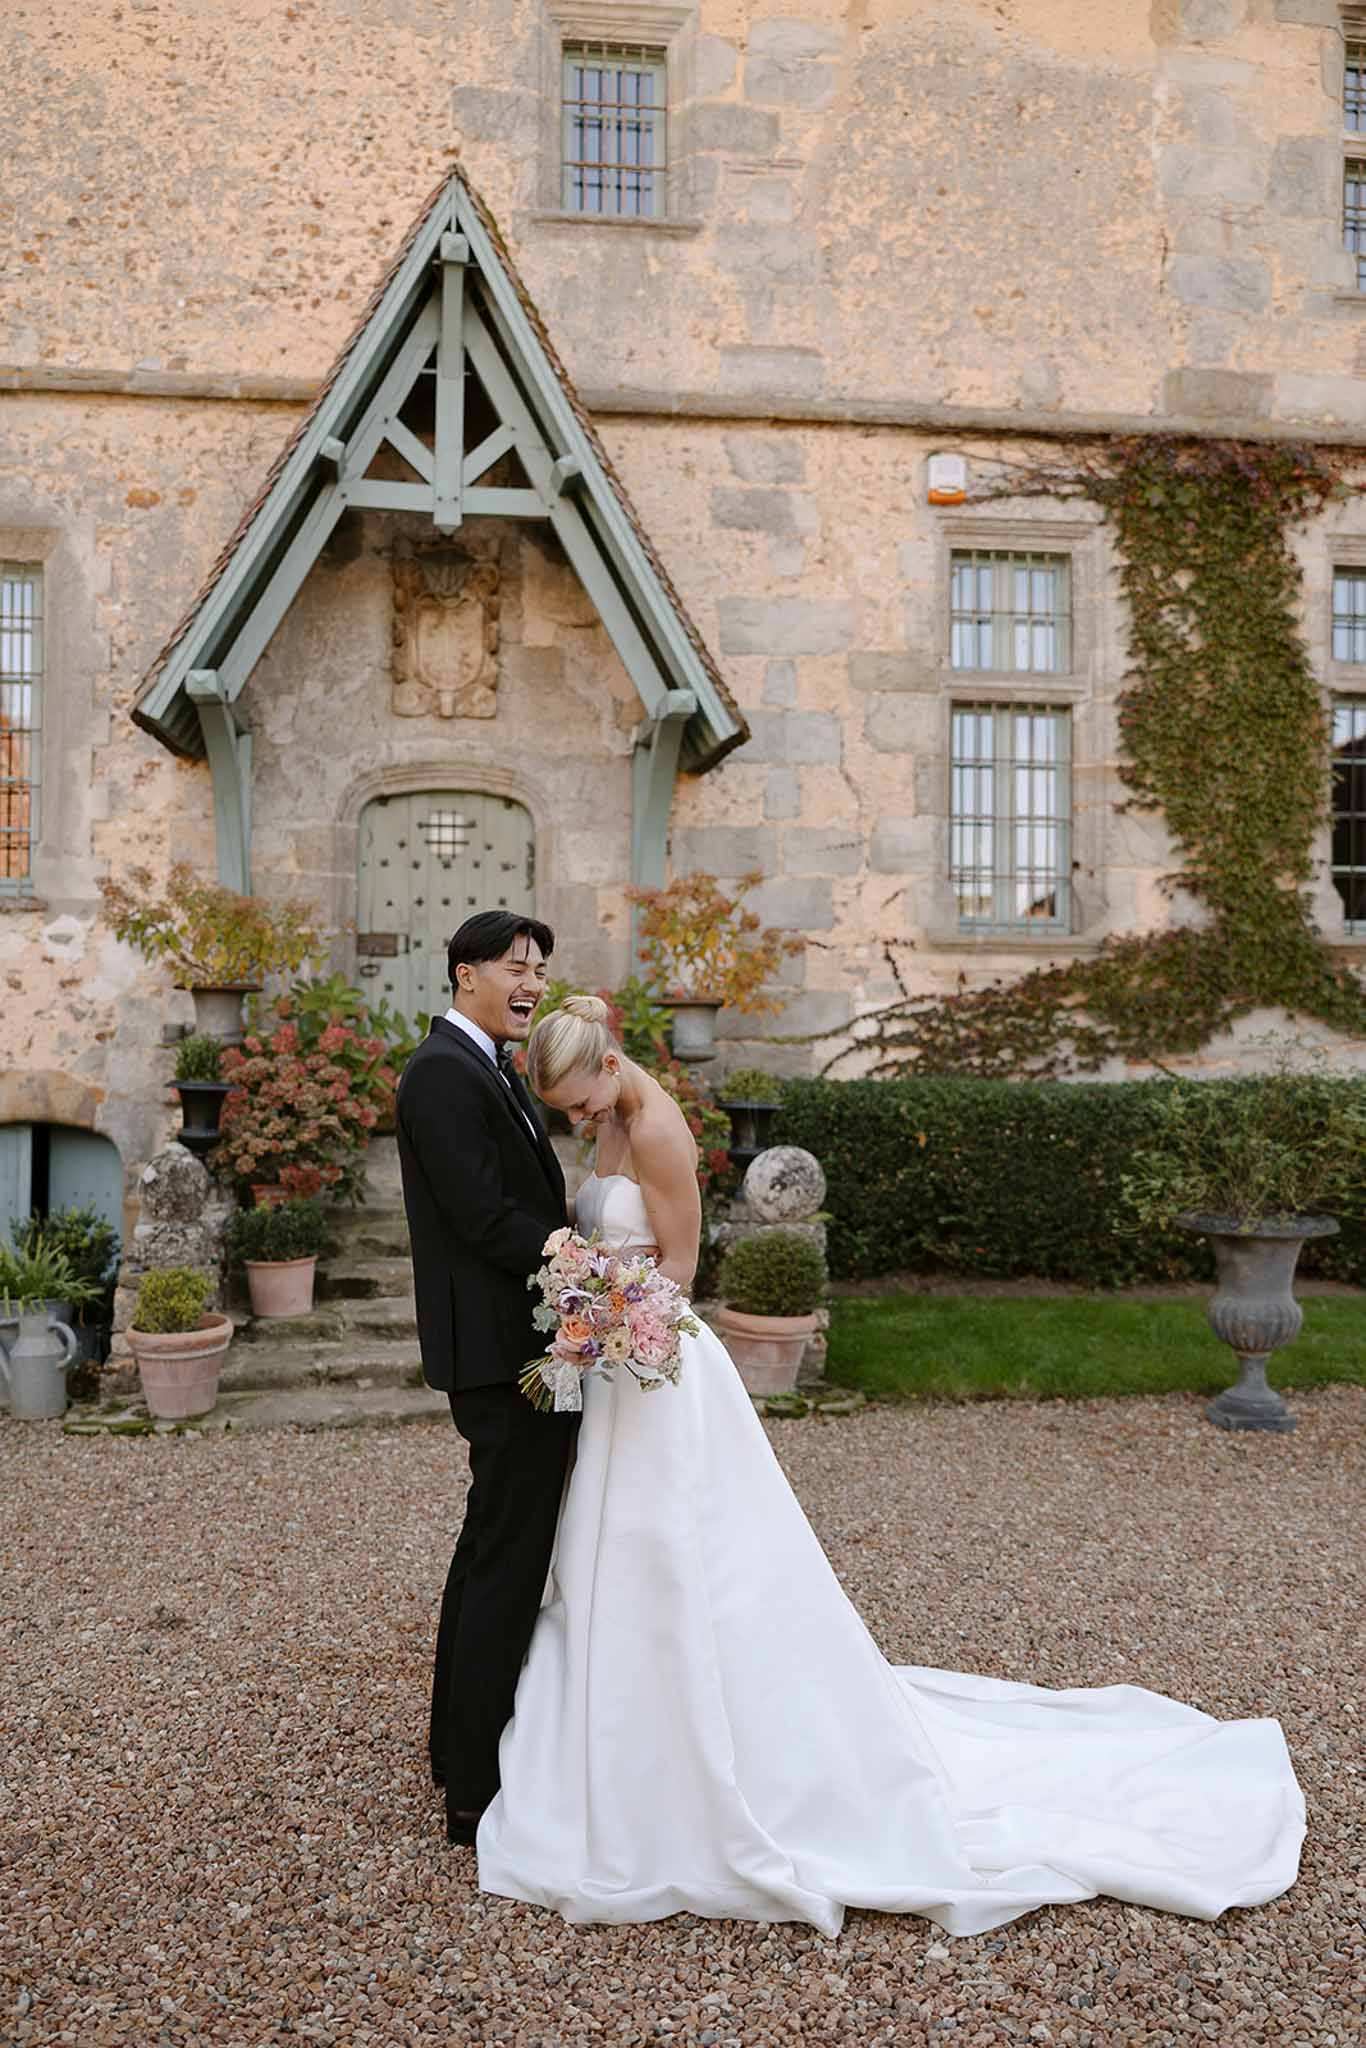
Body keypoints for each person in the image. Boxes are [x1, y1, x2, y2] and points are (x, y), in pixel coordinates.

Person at [471, 994, 1307, 1937]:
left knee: (678, 1540)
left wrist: (617, 1321)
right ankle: (618, 1722)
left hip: (657, 1361)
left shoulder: (657, 1130)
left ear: (613, 1067)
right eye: (568, 1114)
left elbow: (683, 1266)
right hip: (616, 1360)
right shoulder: (613, 1117)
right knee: (611, 1544)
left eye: (583, 1105)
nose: (580, 1123)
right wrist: (586, 1306)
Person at [394, 911, 576, 1850]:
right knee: (506, 1558)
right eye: (517, 967)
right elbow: (480, 1214)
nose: (533, 984)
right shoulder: (440, 1073)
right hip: (500, 1356)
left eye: (541, 969)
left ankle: (458, 1749)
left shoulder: (488, 1066)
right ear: (466, 973)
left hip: (521, 1345)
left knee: (493, 1549)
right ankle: (474, 1790)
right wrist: (579, 1256)